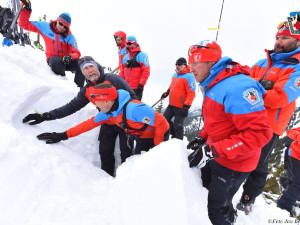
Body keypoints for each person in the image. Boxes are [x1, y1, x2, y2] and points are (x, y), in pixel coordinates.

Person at [186, 40, 273, 225]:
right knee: (211, 190)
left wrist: (212, 150)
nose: (190, 68)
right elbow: (218, 119)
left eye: (195, 63)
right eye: (190, 63)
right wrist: (203, 137)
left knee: (217, 210)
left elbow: (259, 134)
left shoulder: (237, 88)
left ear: (211, 63)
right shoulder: (213, 82)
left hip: (235, 163)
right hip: (220, 153)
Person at [22, 56, 136, 177]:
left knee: (126, 153)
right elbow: (71, 107)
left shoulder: (113, 79)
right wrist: (45, 116)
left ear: (97, 67)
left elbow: (133, 97)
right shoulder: (87, 90)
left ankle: (125, 181)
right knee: (105, 152)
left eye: (92, 66)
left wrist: (121, 115)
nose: (90, 70)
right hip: (106, 121)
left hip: (125, 122)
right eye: (86, 68)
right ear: (82, 72)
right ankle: (106, 180)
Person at [236, 21, 300, 215]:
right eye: (277, 37)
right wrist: (262, 85)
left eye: (285, 38)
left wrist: (254, 86)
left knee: (257, 164)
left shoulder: (296, 67)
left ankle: (247, 200)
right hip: (246, 117)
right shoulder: (263, 62)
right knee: (236, 155)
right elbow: (241, 82)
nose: (279, 42)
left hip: (269, 125)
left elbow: (279, 98)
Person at [36, 83, 169, 157]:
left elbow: (162, 123)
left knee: (156, 162)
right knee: (142, 162)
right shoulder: (108, 112)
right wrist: (63, 135)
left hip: (159, 135)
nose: (96, 105)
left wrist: (157, 147)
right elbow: (88, 124)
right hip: (142, 137)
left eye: (97, 102)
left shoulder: (133, 109)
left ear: (106, 101)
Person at [19, 0, 85, 88]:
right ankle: (63, 87)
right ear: (57, 20)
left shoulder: (69, 36)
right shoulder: (45, 26)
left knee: (83, 63)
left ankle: (78, 90)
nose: (62, 27)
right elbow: (24, 24)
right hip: (53, 59)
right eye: (61, 24)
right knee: (57, 63)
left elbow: (76, 52)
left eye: (65, 27)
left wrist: (70, 56)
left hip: (67, 60)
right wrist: (27, 9)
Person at [161, 57, 196, 140]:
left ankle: (178, 144)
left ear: (185, 65)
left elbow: (191, 93)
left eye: (179, 64)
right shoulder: (175, 75)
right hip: (171, 104)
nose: (177, 66)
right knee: (164, 120)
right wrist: (167, 92)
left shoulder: (189, 77)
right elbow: (172, 86)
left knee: (178, 126)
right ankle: (173, 134)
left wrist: (186, 107)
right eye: (176, 64)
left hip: (181, 107)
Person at [277, 127, 300, 217]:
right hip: (297, 158)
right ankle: (282, 206)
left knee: (294, 181)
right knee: (298, 186)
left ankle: (285, 185)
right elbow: (290, 131)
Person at [119, 36, 150, 100]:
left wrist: (141, 84)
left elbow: (146, 71)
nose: (128, 45)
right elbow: (122, 72)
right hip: (126, 87)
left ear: (135, 43)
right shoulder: (126, 57)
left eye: (129, 43)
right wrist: (120, 83)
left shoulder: (141, 55)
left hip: (136, 88)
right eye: (126, 43)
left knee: (134, 107)